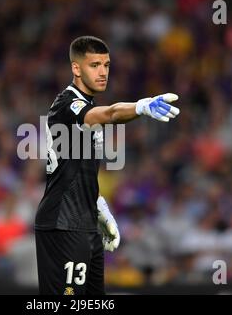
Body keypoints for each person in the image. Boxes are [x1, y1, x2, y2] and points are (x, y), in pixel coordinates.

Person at [35, 36, 180, 295]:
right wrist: (140, 106)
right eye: (94, 65)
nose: (103, 72)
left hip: (85, 223)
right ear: (76, 68)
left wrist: (98, 206)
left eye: (106, 65)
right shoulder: (67, 105)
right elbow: (112, 113)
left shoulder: (87, 108)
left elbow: (76, 170)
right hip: (63, 224)